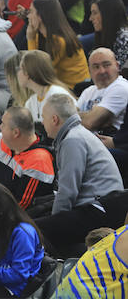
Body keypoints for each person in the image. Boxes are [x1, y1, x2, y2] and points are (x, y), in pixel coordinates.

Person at [36, 94, 124, 257]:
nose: (42, 122)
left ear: (54, 119)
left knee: (36, 230)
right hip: (102, 205)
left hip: (100, 209)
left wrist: (56, 223)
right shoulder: (77, 134)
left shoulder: (72, 140)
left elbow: (68, 192)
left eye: (43, 117)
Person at [26, 0, 89, 89]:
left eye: (31, 12)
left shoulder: (59, 41)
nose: (28, 16)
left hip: (74, 91)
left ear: (40, 16)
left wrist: (30, 39)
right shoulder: (43, 35)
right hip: (61, 87)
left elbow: (37, 72)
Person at [18, 49, 77, 126]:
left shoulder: (58, 94)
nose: (18, 73)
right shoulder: (30, 102)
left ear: (28, 73)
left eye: (20, 69)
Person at [77, 48, 128, 135]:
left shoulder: (121, 87)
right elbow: (67, 119)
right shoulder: (88, 91)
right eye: (96, 67)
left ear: (117, 66)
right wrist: (92, 115)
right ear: (89, 70)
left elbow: (90, 122)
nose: (102, 71)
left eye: (106, 65)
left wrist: (81, 116)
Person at [89, 0, 128, 68]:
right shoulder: (104, 35)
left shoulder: (124, 41)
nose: (90, 18)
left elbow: (119, 73)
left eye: (95, 13)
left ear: (108, 15)